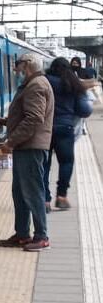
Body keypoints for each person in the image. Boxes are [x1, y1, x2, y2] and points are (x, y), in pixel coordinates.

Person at [0, 54, 54, 252]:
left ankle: (41, 237)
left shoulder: (36, 85)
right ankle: (22, 234)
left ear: (27, 65)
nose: (15, 70)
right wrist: (6, 122)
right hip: (26, 147)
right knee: (20, 193)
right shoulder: (33, 84)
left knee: (33, 192)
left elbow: (34, 119)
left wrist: (10, 142)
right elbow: (27, 115)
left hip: (31, 148)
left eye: (17, 66)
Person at [42, 57, 94, 210]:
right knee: (66, 162)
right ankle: (61, 196)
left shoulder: (44, 81)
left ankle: (44, 200)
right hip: (65, 128)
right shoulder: (73, 83)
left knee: (44, 164)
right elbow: (84, 111)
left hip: (44, 129)